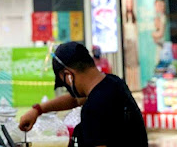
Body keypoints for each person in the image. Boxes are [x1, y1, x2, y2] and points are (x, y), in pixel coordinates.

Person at [19, 42, 148, 147]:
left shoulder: (93, 109)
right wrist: (38, 110)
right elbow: (76, 100)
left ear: (68, 76)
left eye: (64, 82)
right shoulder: (114, 83)